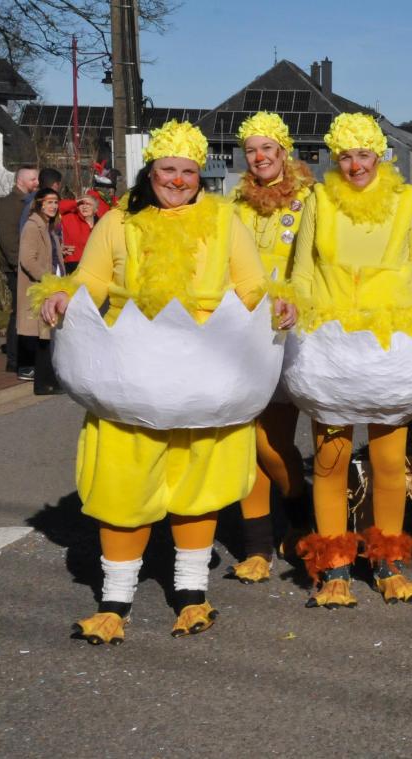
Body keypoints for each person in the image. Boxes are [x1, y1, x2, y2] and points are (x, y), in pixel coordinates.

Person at [33, 120, 296, 644]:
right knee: (123, 485)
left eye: (188, 172)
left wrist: (277, 302)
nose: (176, 180)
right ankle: (115, 601)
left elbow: (250, 283)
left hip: (205, 369)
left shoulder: (223, 220)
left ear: (200, 175)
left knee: (198, 484)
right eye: (167, 169)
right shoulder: (119, 221)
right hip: (134, 369)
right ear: (150, 171)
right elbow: (94, 277)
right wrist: (65, 293)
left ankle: (192, 593)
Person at [290, 112, 412, 608]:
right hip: (331, 345)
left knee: (389, 463)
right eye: (346, 156)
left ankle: (387, 562)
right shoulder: (318, 199)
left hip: (390, 346)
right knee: (330, 462)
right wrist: (302, 321)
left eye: (364, 155)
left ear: (380, 156)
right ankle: (335, 566)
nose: (355, 166)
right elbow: (303, 270)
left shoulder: (407, 200)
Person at [227, 111, 316, 584]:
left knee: (270, 440)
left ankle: (300, 517)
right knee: (245, 442)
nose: (259, 157)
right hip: (242, 330)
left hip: (288, 328)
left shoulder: (310, 199)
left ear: (284, 151)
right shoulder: (234, 203)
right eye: (251, 150)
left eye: (267, 148)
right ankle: (257, 546)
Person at [16, 188, 64, 393]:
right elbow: (27, 260)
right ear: (39, 203)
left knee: (49, 335)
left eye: (56, 202)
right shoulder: (32, 226)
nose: (53, 206)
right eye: (49, 202)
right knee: (44, 336)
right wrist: (47, 280)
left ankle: (49, 381)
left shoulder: (48, 226)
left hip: (52, 285)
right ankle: (44, 383)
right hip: (40, 288)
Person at [0, 165, 39, 373]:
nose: (37, 183)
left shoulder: (29, 201)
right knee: (19, 312)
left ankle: (26, 356)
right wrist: (18, 266)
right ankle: (14, 360)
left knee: (27, 311)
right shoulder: (9, 204)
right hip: (17, 267)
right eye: (33, 179)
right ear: (20, 181)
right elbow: (8, 240)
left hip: (27, 265)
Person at [59, 194, 100, 274]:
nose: (84, 206)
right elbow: (58, 208)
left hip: (94, 264)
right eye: (81, 204)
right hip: (72, 264)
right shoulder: (70, 217)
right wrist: (75, 202)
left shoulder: (100, 223)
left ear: (96, 209)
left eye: (88, 204)